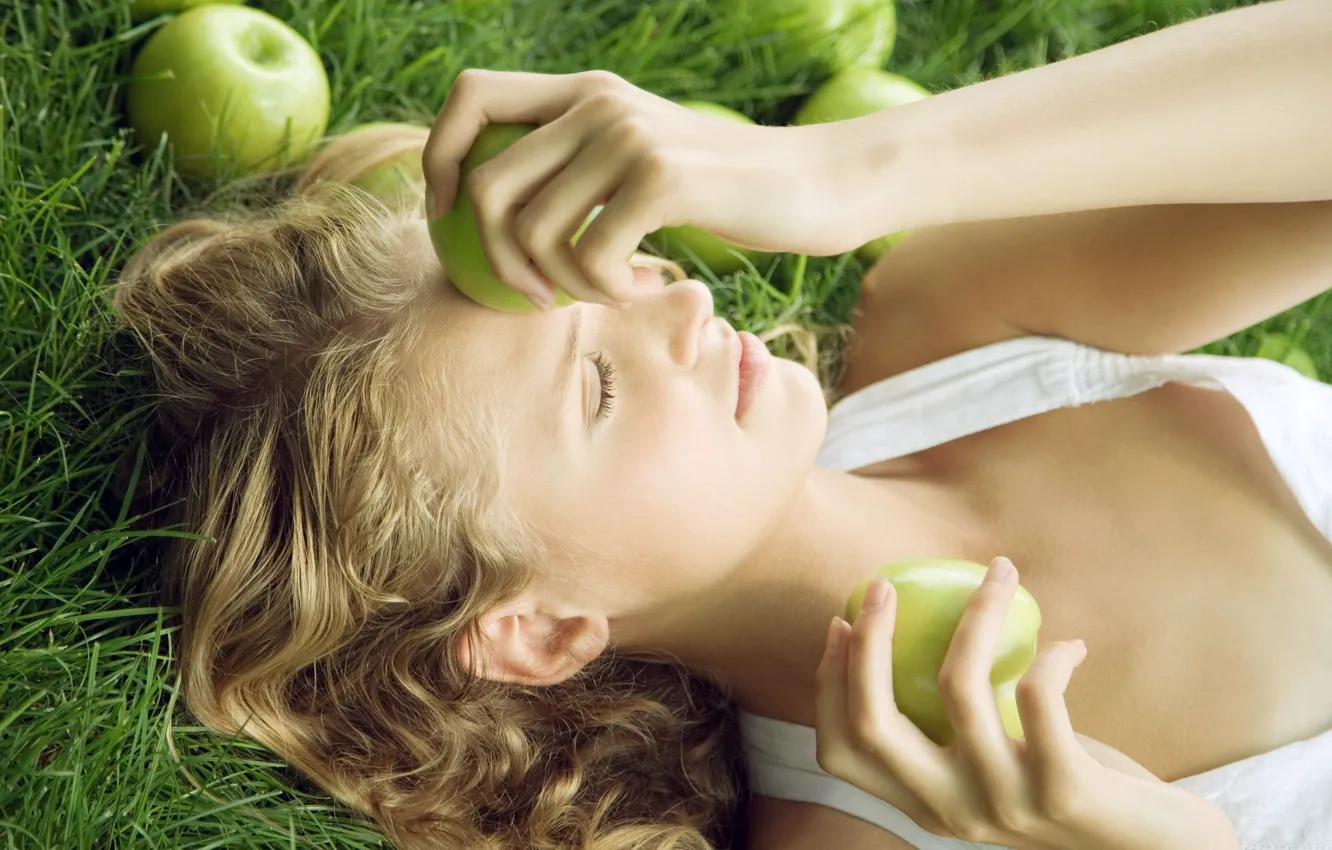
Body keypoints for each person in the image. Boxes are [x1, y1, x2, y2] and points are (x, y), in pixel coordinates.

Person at [110, 0, 1332, 847]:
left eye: (612, 278)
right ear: (535, 630)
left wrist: (845, 172)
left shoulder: (959, 328)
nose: (684, 306)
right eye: (595, 387)